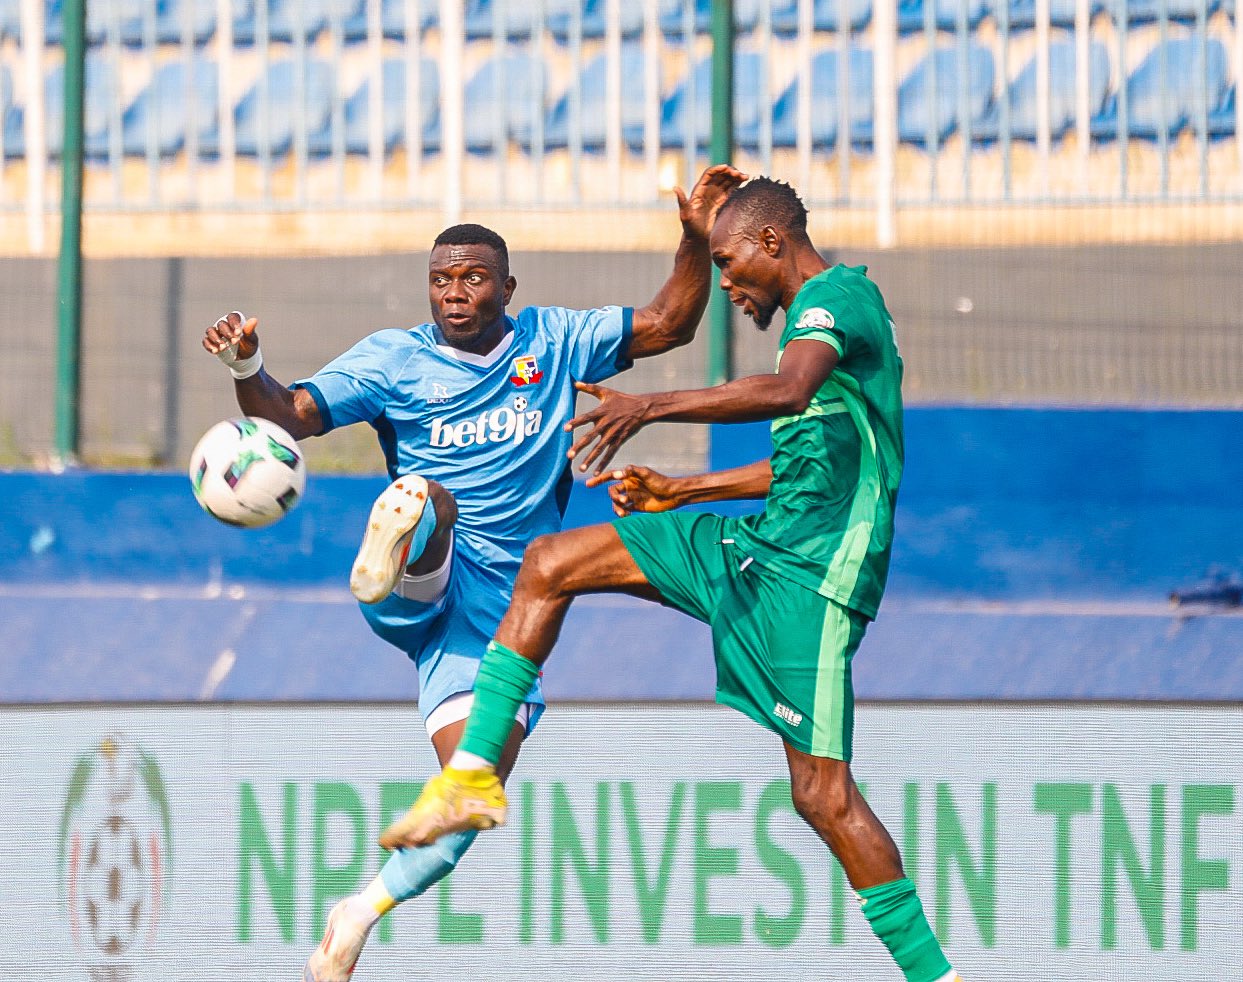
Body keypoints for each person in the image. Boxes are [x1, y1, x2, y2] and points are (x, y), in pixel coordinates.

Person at [384, 177, 963, 982]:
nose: (723, 283)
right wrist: (682, 491)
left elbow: (787, 392)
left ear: (770, 243)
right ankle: (471, 780)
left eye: (727, 262)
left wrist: (648, 407)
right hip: (757, 544)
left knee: (822, 798)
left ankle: (935, 976)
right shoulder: (812, 319)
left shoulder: (835, 302)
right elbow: (806, 467)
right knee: (549, 564)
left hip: (812, 577)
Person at [198, 164, 745, 982]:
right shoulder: (394, 360)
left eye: (472, 278)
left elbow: (668, 324)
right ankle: (400, 535)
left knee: (471, 795)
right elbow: (292, 417)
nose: (454, 292)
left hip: (501, 620)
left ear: (506, 287)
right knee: (430, 498)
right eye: (440, 279)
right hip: (422, 578)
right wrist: (249, 367)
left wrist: (694, 239)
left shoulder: (553, 341)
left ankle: (356, 915)